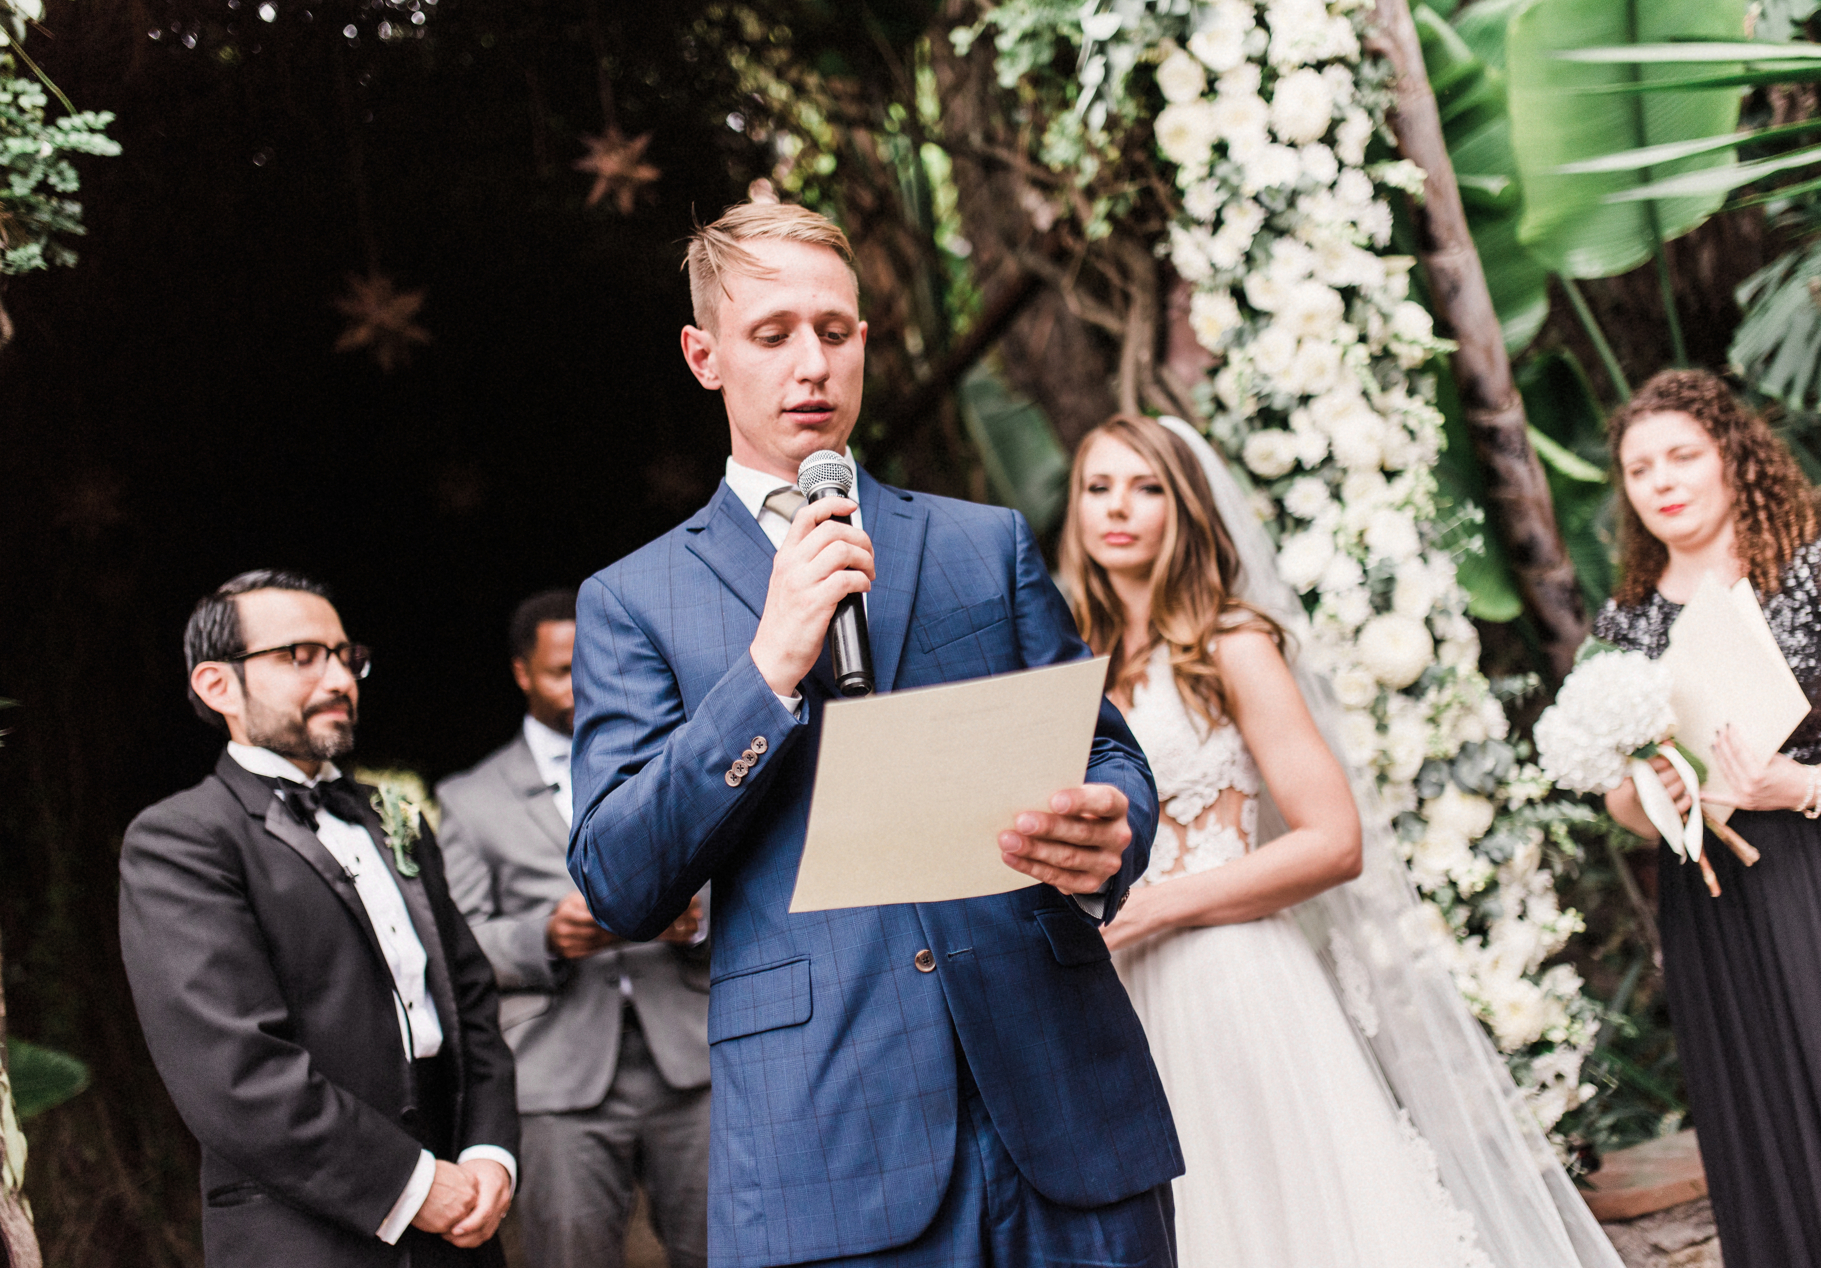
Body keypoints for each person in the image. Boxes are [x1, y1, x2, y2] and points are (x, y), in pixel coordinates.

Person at [567, 201, 1182, 1268]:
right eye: (772, 335)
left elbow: (1106, 750)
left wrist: (1110, 826)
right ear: (703, 356)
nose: (812, 361)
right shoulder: (632, 600)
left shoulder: (980, 543)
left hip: (1066, 1115)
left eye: (835, 329)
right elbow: (619, 876)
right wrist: (767, 668)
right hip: (830, 1147)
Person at [1062, 415, 1627, 1268]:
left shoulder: (1230, 644)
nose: (1119, 510)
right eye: (1097, 488)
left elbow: (1333, 842)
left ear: (1186, 506)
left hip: (1234, 976)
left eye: (1147, 488)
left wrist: (1158, 905)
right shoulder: (1071, 664)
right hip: (1122, 992)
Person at [119, 569, 519, 1268]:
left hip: (462, 1223)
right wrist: (412, 1184)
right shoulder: (182, 839)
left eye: (344, 656)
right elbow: (232, 1072)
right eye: (300, 657)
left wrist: (489, 1152)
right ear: (218, 687)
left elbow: (470, 1000)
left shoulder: (393, 817)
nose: (338, 679)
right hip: (303, 1232)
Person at [1595, 369, 1821, 1268]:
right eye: (1640, 468)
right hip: (1720, 909)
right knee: (1776, 1124)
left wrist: (1800, 785)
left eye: (1682, 454)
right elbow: (1624, 802)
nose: (1662, 480)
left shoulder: (1817, 566)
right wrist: (1657, 792)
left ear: (1734, 457)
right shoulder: (1630, 624)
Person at [438, 588, 712, 1268]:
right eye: (563, 671)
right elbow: (457, 947)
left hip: (694, 1057)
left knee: (730, 1250)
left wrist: (696, 919)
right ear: (522, 674)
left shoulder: (670, 762)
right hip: (557, 1078)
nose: (583, 685)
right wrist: (544, 938)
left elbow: (732, 877)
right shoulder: (470, 800)